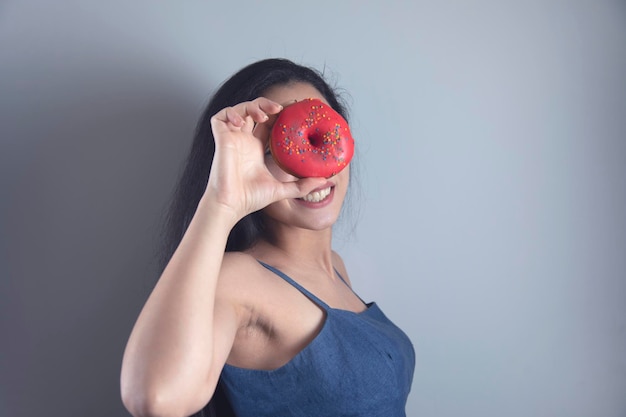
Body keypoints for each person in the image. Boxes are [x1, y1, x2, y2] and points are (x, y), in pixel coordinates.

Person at [120, 58, 415, 417]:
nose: (311, 174)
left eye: (320, 139)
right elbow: (157, 399)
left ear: (345, 141)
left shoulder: (335, 268)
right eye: (276, 152)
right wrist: (222, 202)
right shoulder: (239, 280)